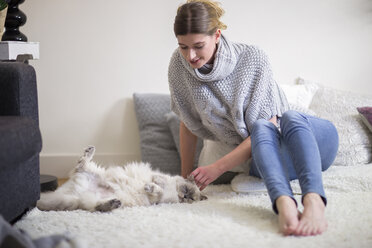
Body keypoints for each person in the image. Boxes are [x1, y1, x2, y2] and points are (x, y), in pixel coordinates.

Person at [168, 0, 339, 237]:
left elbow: (273, 123)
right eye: (183, 47)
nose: (191, 56)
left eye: (198, 45)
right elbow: (187, 122)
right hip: (265, 158)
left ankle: (314, 201)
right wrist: (186, 181)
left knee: (286, 117)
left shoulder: (252, 58)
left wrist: (217, 168)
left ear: (217, 35)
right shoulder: (178, 66)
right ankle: (284, 203)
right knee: (261, 128)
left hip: (310, 141)